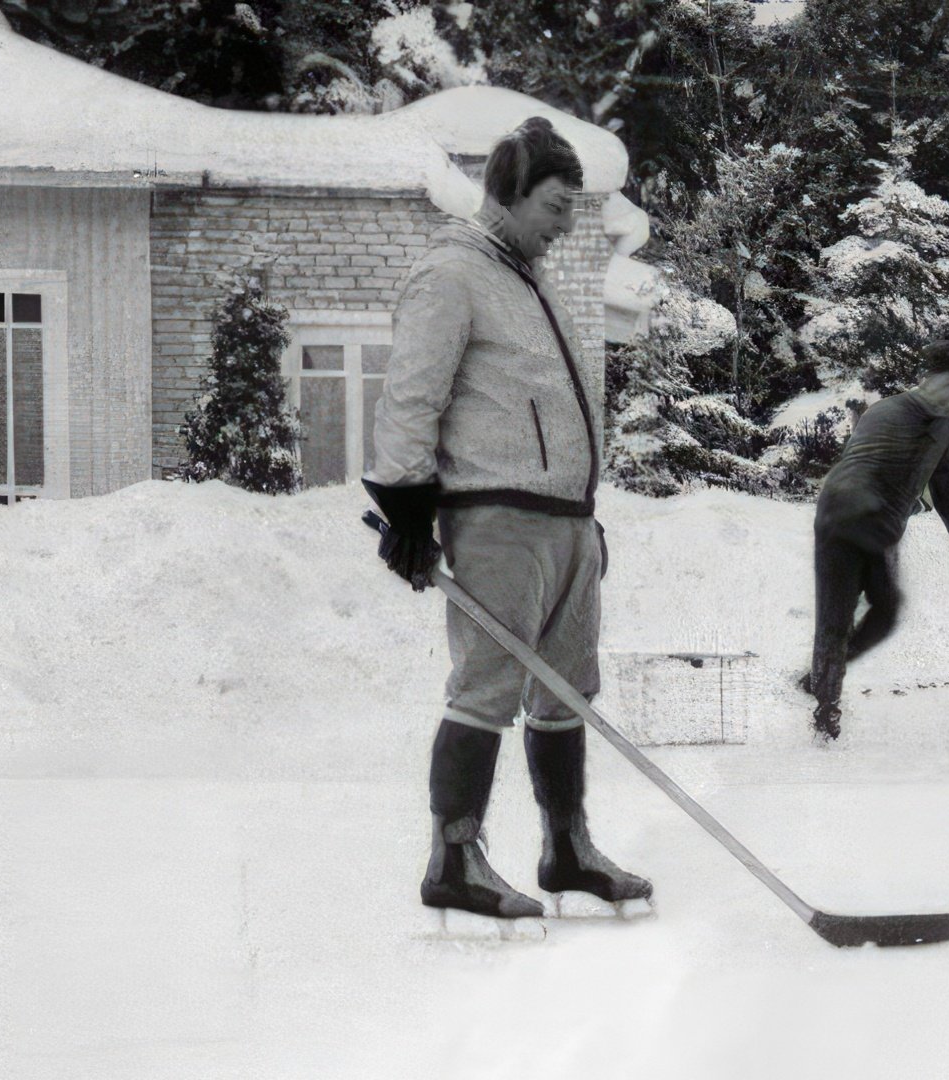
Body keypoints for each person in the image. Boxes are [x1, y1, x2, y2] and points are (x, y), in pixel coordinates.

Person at [364, 116, 650, 920]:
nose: (566, 226)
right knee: (486, 688)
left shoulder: (526, 273)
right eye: (557, 206)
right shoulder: (452, 273)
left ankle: (567, 849)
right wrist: (408, 509)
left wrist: (580, 517)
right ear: (511, 194)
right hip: (495, 517)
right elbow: (410, 398)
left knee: (567, 693)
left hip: (563, 521)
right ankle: (453, 856)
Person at [805, 341, 949, 741]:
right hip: (845, 517)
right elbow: (864, 463)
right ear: (931, 378)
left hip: (878, 526)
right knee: (834, 621)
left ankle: (818, 679)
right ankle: (825, 714)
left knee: (886, 610)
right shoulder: (889, 411)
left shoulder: (940, 425)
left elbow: (945, 485)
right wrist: (874, 508)